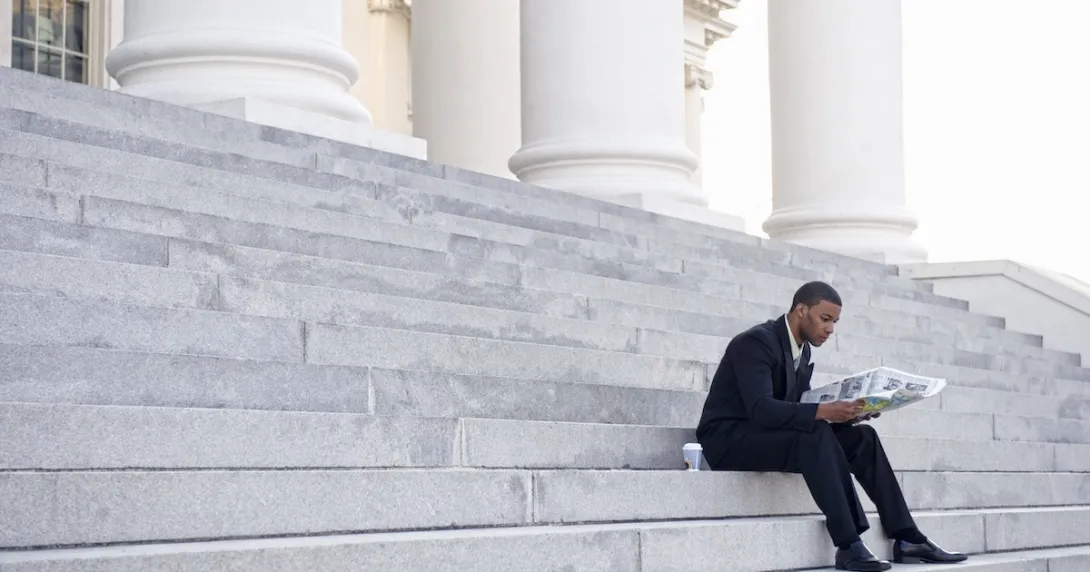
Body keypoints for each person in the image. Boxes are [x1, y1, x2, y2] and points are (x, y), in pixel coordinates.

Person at [696, 281, 968, 571]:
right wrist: (824, 412)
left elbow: (798, 404)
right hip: (728, 440)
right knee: (816, 432)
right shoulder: (755, 342)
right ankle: (848, 544)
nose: (830, 329)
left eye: (834, 322)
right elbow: (761, 409)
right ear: (801, 310)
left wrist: (848, 414)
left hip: (769, 435)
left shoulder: (803, 350)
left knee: (862, 437)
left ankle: (907, 537)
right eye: (825, 319)